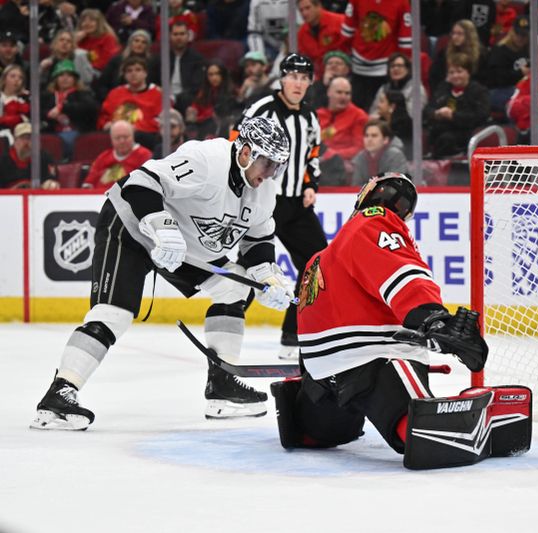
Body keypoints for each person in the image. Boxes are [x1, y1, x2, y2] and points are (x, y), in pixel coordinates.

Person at [30, 116, 296, 431]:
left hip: (182, 245)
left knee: (235, 288)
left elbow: (258, 239)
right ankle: (59, 394)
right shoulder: (206, 159)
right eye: (266, 163)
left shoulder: (264, 191)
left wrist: (266, 277)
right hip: (130, 226)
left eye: (277, 167)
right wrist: (159, 223)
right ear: (246, 152)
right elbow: (140, 183)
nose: (269, 174)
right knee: (113, 314)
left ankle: (222, 386)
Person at [269, 172, 531, 469]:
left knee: (314, 434)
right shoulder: (374, 220)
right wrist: (433, 317)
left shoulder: (319, 259)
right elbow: (400, 273)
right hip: (372, 363)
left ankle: (302, 410)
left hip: (320, 381)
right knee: (428, 436)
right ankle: (482, 416)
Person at [232, 53, 328, 360]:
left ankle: (293, 333)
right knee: (250, 267)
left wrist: (311, 184)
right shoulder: (262, 109)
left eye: (304, 78)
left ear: (310, 82)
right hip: (263, 200)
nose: (298, 83)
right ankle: (226, 322)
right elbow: (237, 143)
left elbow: (313, 153)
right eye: (292, 76)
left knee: (316, 265)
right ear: (281, 79)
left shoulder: (310, 117)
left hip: (296, 204)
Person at [340, 0, 412, 111]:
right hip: (358, 68)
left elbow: (405, 41)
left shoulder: (401, 2)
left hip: (384, 70)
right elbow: (347, 33)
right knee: (356, 112)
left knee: (380, 113)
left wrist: (399, 65)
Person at [424, 52, 489, 158]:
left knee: (446, 139)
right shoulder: (443, 88)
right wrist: (436, 113)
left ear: (468, 72)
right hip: (441, 130)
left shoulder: (479, 91)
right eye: (451, 72)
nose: (455, 76)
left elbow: (481, 115)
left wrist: (453, 116)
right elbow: (428, 109)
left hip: (465, 132)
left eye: (459, 72)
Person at [97, 56, 163, 150]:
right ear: (124, 75)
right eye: (129, 71)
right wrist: (106, 124)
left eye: (138, 70)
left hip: (143, 137)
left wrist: (134, 127)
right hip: (116, 134)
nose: (133, 73)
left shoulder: (157, 94)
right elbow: (104, 117)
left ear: (145, 73)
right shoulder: (115, 93)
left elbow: (159, 122)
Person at [40, 59, 100, 159]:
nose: (65, 78)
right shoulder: (47, 95)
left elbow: (92, 108)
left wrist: (64, 108)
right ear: (56, 79)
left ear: (74, 79)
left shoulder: (82, 94)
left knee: (67, 139)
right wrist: (48, 114)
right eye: (61, 75)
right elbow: (38, 112)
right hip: (53, 131)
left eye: (69, 75)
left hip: (77, 132)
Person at [149, 21, 207, 114]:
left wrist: (175, 98)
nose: (179, 37)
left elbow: (196, 87)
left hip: (186, 101)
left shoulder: (197, 59)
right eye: (175, 34)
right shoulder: (160, 58)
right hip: (162, 98)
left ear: (188, 36)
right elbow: (152, 81)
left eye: (182, 34)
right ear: (170, 36)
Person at [477, 15, 529, 114]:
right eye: (517, 34)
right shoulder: (500, 50)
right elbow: (495, 79)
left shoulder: (528, 50)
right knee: (520, 103)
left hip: (522, 89)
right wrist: (520, 73)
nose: (520, 38)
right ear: (512, 32)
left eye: (524, 35)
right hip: (498, 90)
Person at [82, 120, 152, 190]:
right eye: (117, 138)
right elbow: (88, 184)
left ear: (133, 136)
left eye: (126, 137)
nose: (122, 141)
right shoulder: (103, 157)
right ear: (111, 139)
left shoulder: (144, 156)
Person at [317, 76, 369, 163]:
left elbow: (360, 148)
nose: (343, 97)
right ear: (329, 92)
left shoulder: (359, 116)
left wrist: (334, 154)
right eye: (339, 92)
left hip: (343, 164)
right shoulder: (317, 114)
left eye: (347, 93)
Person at [428, 19, 486, 96]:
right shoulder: (444, 53)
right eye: (453, 33)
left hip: (472, 94)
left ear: (469, 35)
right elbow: (434, 76)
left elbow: (483, 79)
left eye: (459, 34)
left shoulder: (480, 55)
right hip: (446, 93)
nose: (455, 37)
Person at [186, 60, 240, 140]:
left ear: (223, 75)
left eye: (217, 74)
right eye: (211, 74)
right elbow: (195, 110)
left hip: (225, 130)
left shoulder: (233, 92)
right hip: (204, 130)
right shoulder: (203, 93)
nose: (214, 77)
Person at [95, 29, 153, 101]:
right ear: (130, 43)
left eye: (144, 42)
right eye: (136, 41)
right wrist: (109, 98)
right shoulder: (117, 60)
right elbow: (103, 83)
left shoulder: (152, 63)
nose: (139, 44)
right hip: (116, 99)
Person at [0, 122, 60, 189]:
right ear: (15, 140)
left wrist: (50, 184)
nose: (28, 142)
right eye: (24, 138)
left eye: (32, 138)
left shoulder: (45, 158)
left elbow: (53, 180)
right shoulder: (3, 160)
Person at [350, 119, 408, 185]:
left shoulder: (395, 156)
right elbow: (356, 186)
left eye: (374, 135)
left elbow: (396, 185)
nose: (369, 139)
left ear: (385, 140)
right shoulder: (360, 157)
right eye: (366, 136)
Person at [369, 52, 427, 119]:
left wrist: (386, 114)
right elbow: (373, 112)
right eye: (392, 66)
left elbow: (413, 115)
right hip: (383, 126)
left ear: (407, 69)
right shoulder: (383, 89)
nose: (395, 69)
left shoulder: (416, 89)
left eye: (400, 66)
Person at [297, 0, 345, 79]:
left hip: (342, 75)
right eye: (301, 10)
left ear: (318, 6)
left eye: (308, 8)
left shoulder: (340, 22)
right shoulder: (301, 33)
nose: (304, 13)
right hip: (319, 78)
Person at [76, 9, 121, 73]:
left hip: (99, 73)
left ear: (99, 23)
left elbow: (107, 61)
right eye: (84, 21)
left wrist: (87, 66)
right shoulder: (80, 39)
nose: (87, 23)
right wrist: (74, 40)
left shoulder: (108, 38)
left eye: (91, 20)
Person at [0, 64, 30, 141]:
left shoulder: (24, 100)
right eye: (13, 76)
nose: (17, 80)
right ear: (4, 79)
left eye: (20, 78)